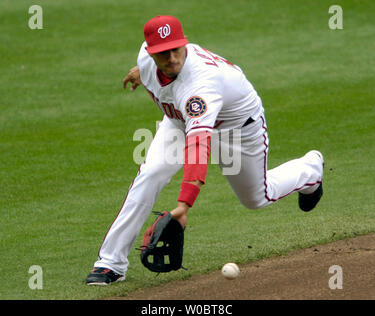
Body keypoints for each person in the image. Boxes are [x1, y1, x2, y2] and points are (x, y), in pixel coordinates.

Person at [85, 15, 324, 285]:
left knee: (257, 198)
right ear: (150, 53)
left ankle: (311, 169)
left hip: (237, 130)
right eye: (163, 53)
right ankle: (111, 263)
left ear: (184, 43)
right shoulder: (146, 58)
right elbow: (154, 70)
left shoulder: (201, 85)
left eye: (177, 48)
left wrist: (183, 206)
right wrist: (142, 72)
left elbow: (198, 148)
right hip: (180, 123)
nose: (172, 57)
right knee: (150, 174)